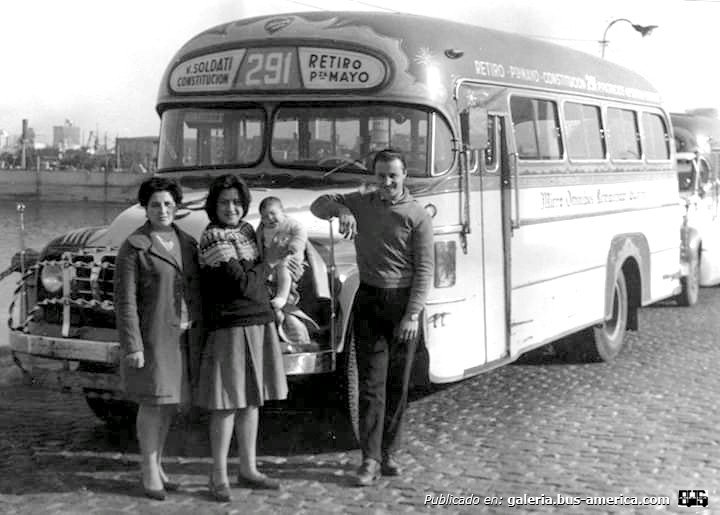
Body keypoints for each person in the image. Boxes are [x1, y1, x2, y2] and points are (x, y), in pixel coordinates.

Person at [310, 148, 434, 487]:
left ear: (404, 175)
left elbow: (425, 270)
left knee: (398, 382)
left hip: (403, 304)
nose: (387, 182)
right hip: (369, 299)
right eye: (380, 176)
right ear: (373, 177)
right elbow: (318, 205)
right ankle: (369, 459)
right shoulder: (362, 202)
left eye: (393, 175)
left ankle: (390, 452)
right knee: (370, 384)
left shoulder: (417, 215)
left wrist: (412, 315)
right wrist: (341, 210)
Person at [195, 174, 290, 502]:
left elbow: (254, 280)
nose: (232, 208)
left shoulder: (248, 232)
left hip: (257, 322)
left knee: (251, 400)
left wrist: (266, 267)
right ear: (214, 205)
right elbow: (242, 285)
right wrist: (270, 263)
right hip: (230, 327)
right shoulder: (213, 238)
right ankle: (217, 475)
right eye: (224, 202)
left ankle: (247, 468)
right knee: (226, 403)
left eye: (237, 202)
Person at [114, 176, 203, 501]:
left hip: (181, 335)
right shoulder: (135, 246)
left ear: (176, 207)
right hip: (152, 338)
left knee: (168, 403)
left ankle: (159, 465)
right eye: (155, 205)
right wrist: (132, 345)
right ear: (145, 208)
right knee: (152, 403)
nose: (162, 210)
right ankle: (149, 469)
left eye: (167, 204)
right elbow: (124, 301)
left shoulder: (187, 243)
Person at [256, 196, 307, 312]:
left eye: (273, 213)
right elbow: (258, 240)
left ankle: (282, 297)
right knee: (271, 278)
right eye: (264, 217)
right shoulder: (262, 228)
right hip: (271, 259)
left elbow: (300, 232)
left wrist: (295, 245)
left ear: (282, 211)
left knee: (284, 272)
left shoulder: (290, 224)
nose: (269, 218)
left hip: (288, 256)